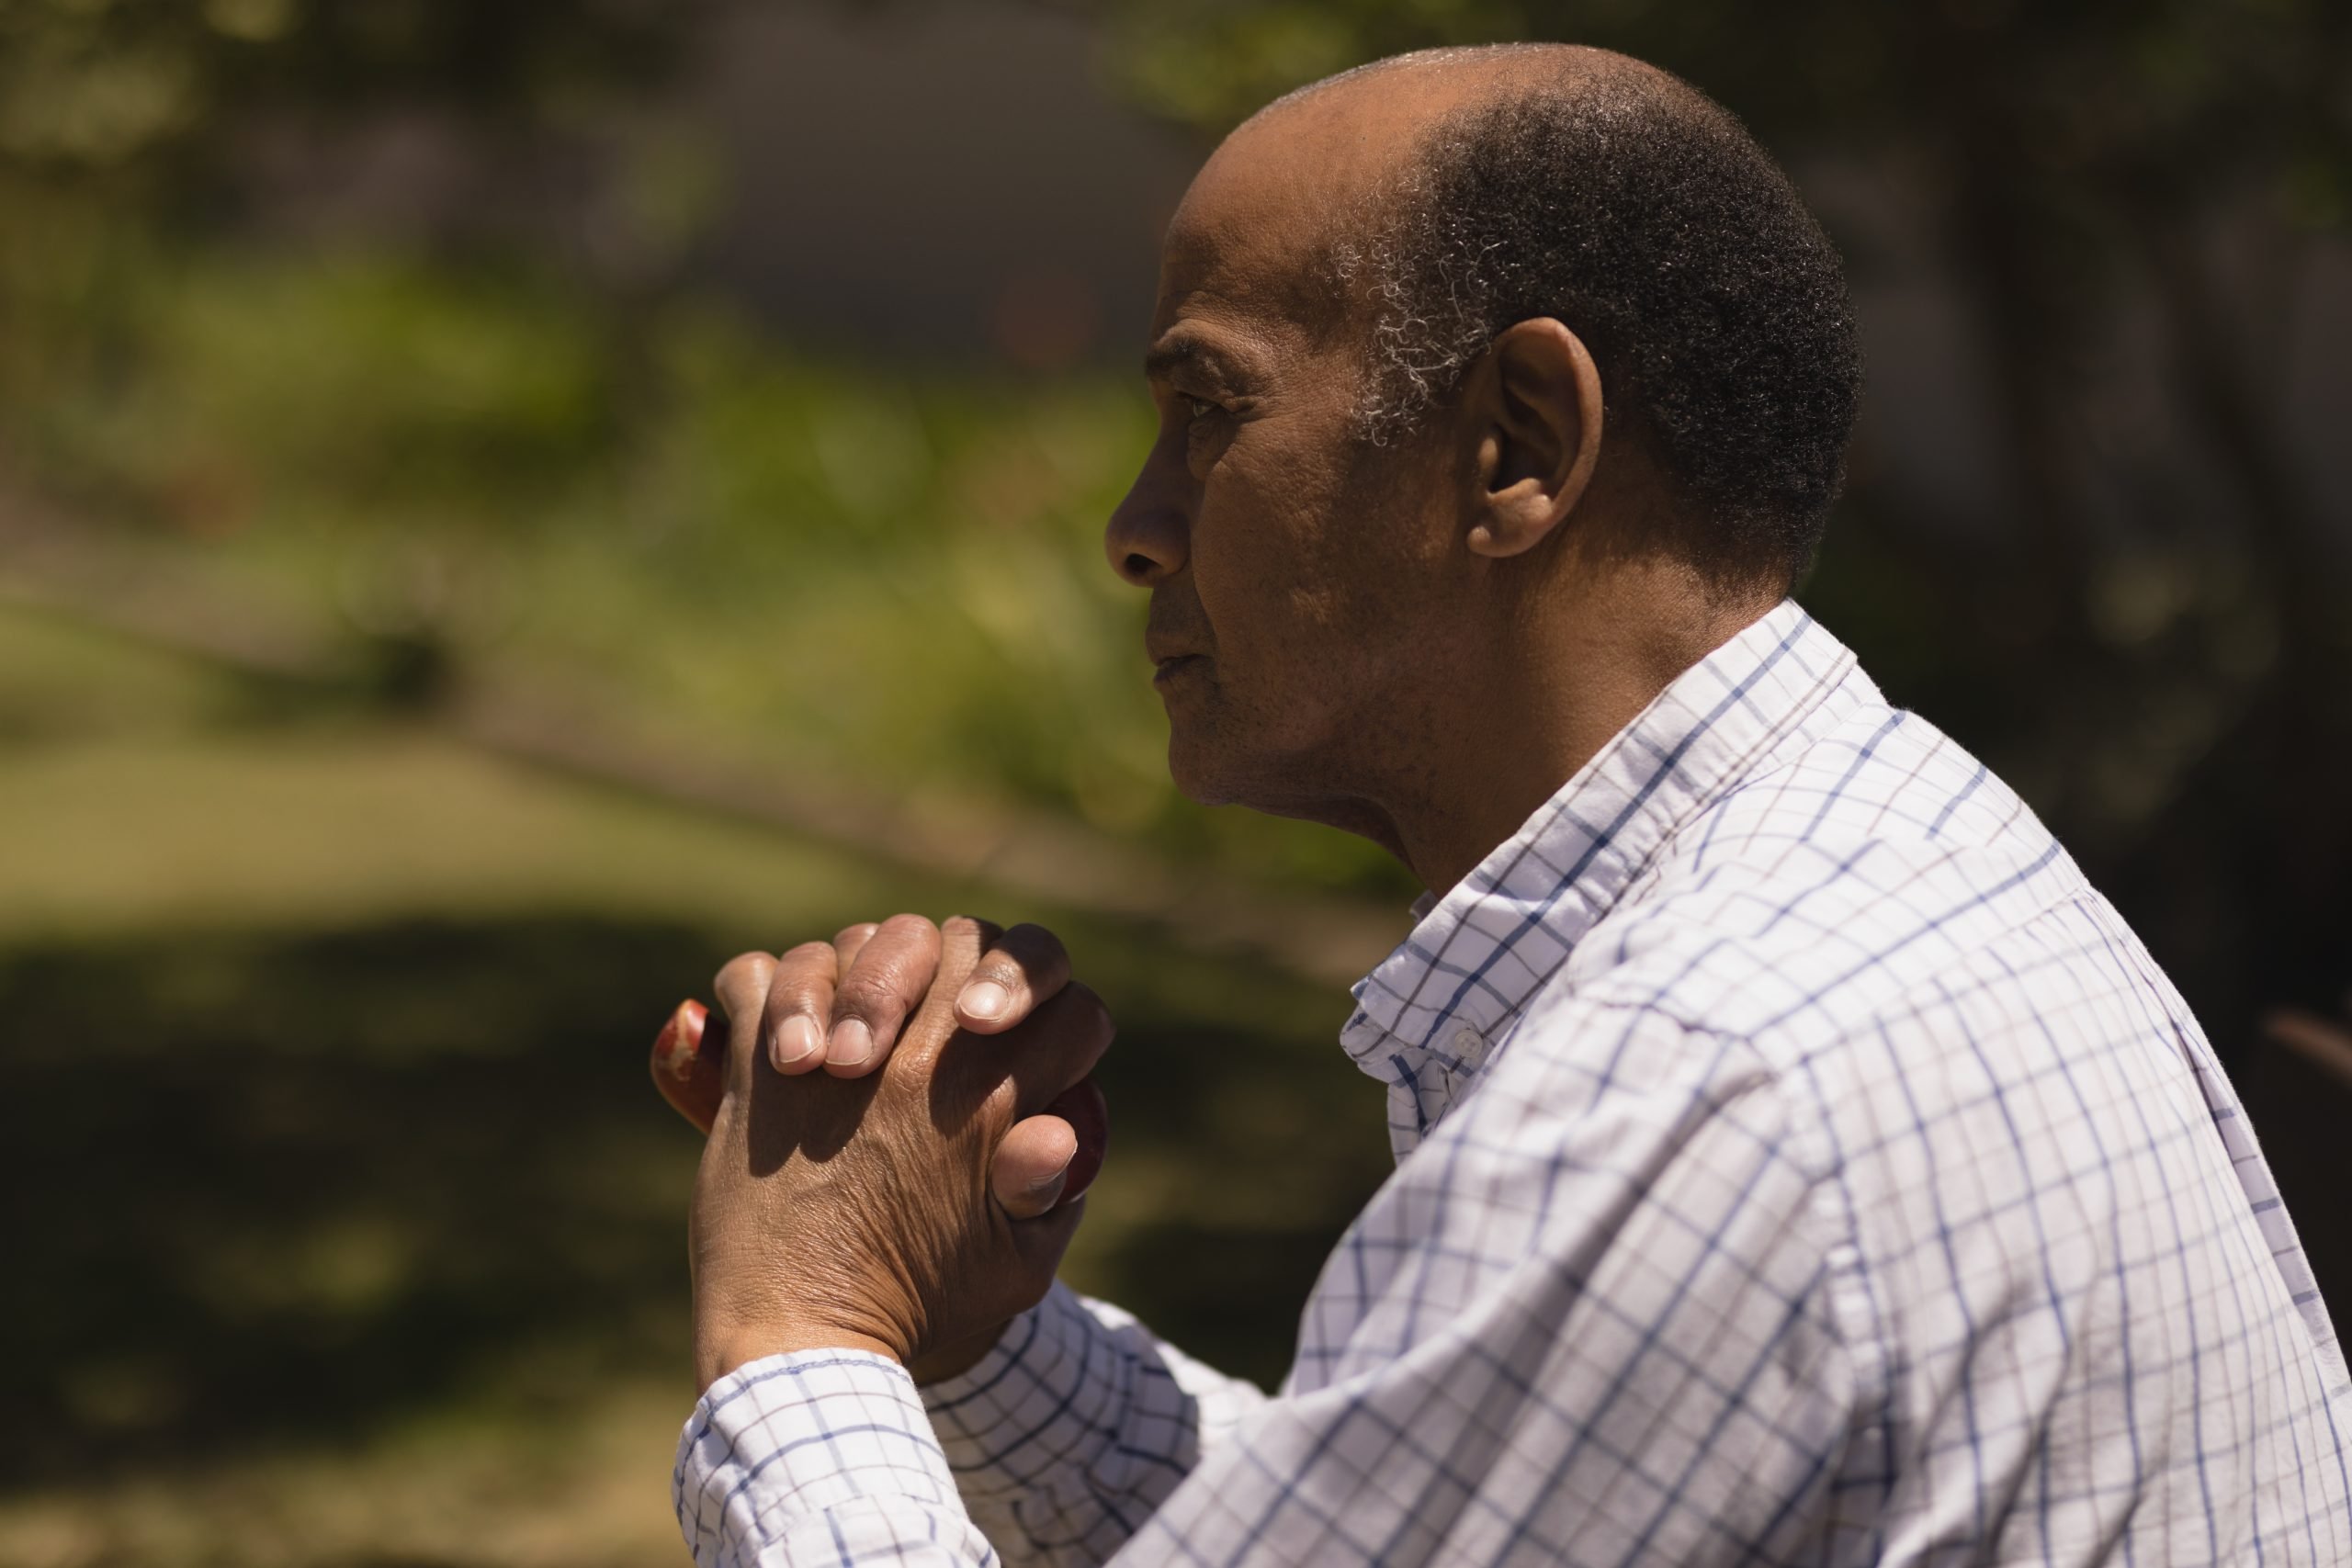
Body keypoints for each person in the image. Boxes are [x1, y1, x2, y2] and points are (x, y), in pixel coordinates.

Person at [662, 42, 2352, 1566]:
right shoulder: (1885, 855)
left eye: (1209, 415)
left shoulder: (1702, 1088)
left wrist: (803, 1334)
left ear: (1517, 446)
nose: (1135, 524)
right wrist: (961, 1336)